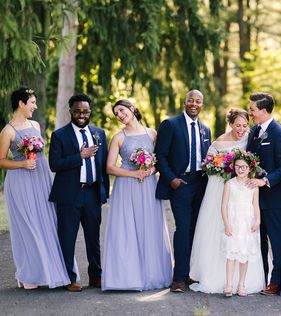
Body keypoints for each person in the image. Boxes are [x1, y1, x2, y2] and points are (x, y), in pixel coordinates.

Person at [0, 87, 74, 289]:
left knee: (48, 222)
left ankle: (49, 270)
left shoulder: (34, 124)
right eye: (32, 102)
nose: (35, 106)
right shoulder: (8, 131)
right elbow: (1, 160)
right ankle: (28, 274)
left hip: (41, 178)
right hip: (20, 182)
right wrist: (22, 164)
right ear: (21, 103)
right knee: (28, 225)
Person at [189, 109, 265, 294]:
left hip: (243, 191)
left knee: (243, 231)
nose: (241, 129)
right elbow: (207, 164)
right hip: (220, 189)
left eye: (245, 125)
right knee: (218, 228)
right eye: (238, 125)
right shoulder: (219, 142)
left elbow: (252, 162)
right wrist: (220, 165)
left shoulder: (250, 139)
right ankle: (217, 276)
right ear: (231, 124)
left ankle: (242, 282)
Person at [102, 99, 172, 291]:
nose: (120, 115)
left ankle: (151, 275)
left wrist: (151, 170)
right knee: (126, 228)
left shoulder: (152, 133)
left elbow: (160, 159)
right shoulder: (118, 137)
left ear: (132, 109)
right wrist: (134, 173)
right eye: (116, 114)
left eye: (122, 110)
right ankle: (126, 277)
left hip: (148, 186)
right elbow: (109, 167)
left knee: (149, 227)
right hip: (126, 187)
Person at [49, 93, 110, 292]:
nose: (82, 115)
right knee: (67, 237)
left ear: (90, 112)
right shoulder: (59, 135)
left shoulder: (99, 133)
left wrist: (104, 192)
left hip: (92, 193)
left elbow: (102, 166)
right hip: (69, 194)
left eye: (85, 111)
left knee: (93, 238)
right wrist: (80, 156)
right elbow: (54, 164)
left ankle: (96, 276)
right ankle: (69, 278)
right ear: (71, 112)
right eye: (77, 111)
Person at [155, 89, 211, 293]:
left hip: (201, 184)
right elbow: (160, 155)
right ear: (184, 102)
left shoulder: (206, 129)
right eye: (190, 100)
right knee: (183, 229)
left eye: (198, 101)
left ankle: (190, 273)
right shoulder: (170, 125)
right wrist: (172, 180)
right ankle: (178, 277)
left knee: (196, 230)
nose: (194, 104)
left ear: (202, 105)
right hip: (181, 184)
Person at [246, 93, 281, 295]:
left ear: (263, 111)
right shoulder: (254, 131)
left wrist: (264, 181)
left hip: (272, 197)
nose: (250, 113)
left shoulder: (280, 133)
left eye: (252, 110)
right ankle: (262, 278)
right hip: (252, 198)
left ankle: (277, 281)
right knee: (258, 240)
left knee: (276, 241)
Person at [221, 156, 262, 297]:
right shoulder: (229, 184)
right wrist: (226, 223)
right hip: (233, 222)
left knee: (244, 254)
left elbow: (255, 205)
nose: (241, 169)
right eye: (238, 166)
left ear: (249, 168)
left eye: (244, 166)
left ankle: (241, 284)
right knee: (231, 254)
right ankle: (229, 284)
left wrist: (258, 220)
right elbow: (224, 205)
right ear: (233, 168)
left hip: (247, 223)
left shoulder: (253, 186)